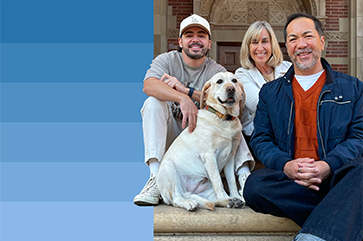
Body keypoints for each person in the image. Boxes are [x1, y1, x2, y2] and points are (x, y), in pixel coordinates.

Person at [243, 12, 363, 241]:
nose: (301, 45)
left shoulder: (353, 88)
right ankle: (341, 217)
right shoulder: (270, 92)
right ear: (287, 46)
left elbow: (359, 136)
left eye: (307, 36)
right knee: (254, 185)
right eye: (293, 39)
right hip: (292, 182)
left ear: (322, 41)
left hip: (337, 177)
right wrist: (286, 165)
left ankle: (313, 235)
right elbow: (261, 139)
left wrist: (328, 165)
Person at [134, 14, 253, 206]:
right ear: (180, 41)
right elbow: (149, 85)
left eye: (201, 35)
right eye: (189, 35)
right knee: (152, 103)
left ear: (209, 42)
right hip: (174, 137)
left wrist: (186, 90)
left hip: (205, 133)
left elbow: (227, 97)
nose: (195, 39)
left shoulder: (217, 71)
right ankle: (156, 178)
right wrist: (182, 98)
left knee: (232, 120)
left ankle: (244, 179)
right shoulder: (167, 60)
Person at [235, 21, 291, 140]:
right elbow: (259, 105)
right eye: (254, 42)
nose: (260, 48)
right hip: (259, 137)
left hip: (289, 132)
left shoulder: (289, 69)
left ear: (272, 44)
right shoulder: (242, 74)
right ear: (248, 47)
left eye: (265, 41)